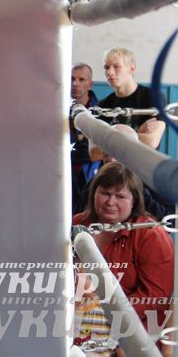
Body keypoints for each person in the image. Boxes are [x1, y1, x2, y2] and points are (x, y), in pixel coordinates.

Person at [73, 162, 174, 330]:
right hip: (79, 322)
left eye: (120, 197)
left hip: (134, 330)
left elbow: (156, 296)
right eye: (105, 193)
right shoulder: (78, 223)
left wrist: (105, 314)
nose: (110, 202)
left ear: (134, 200)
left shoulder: (151, 235)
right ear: (93, 193)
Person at [98, 47, 166, 149]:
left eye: (116, 66)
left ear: (132, 68)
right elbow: (96, 150)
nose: (109, 72)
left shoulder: (152, 97)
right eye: (106, 67)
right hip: (114, 160)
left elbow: (151, 141)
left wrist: (111, 136)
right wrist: (137, 133)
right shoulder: (104, 104)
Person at [70, 62, 100, 215]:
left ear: (90, 84)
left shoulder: (101, 111)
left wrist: (76, 142)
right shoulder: (54, 110)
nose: (75, 84)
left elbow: (95, 152)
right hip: (60, 176)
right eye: (72, 79)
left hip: (89, 178)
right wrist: (81, 140)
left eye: (81, 79)